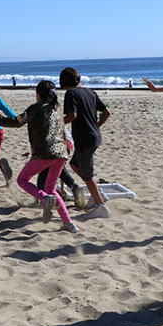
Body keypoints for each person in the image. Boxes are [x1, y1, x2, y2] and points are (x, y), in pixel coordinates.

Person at [0, 80, 78, 233]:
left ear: (38, 94)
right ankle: (69, 223)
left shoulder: (35, 108)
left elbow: (17, 122)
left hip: (44, 153)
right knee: (51, 189)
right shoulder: (56, 108)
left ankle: (44, 199)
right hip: (61, 154)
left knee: (22, 180)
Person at [60, 67, 111, 219]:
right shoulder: (91, 92)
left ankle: (101, 207)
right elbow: (107, 112)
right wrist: (96, 126)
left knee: (87, 175)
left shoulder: (71, 93)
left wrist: (57, 123)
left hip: (85, 139)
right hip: (94, 136)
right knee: (75, 164)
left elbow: (72, 115)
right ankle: (98, 194)